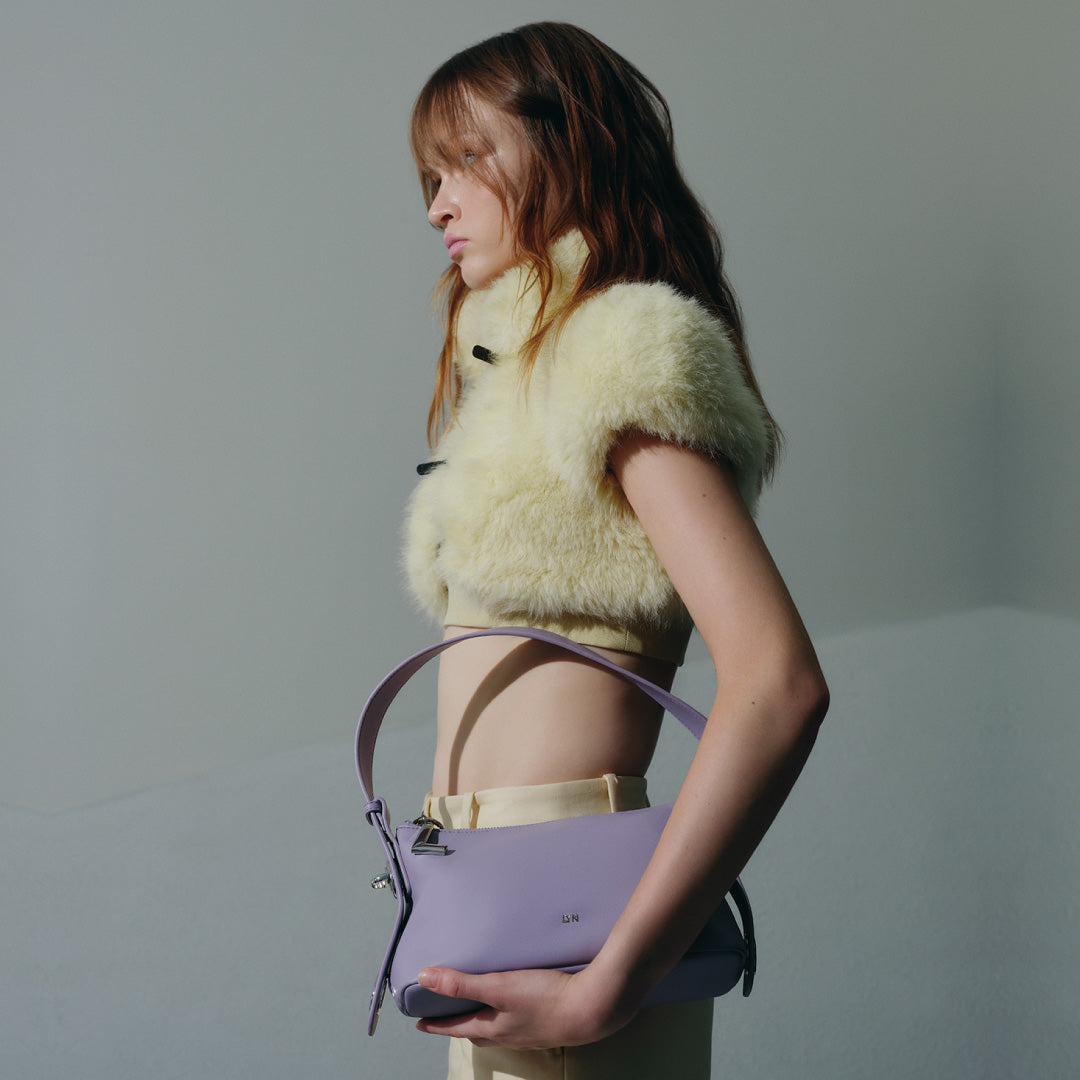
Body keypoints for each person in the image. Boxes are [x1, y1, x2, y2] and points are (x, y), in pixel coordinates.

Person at [399, 22, 829, 1080]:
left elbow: (778, 683)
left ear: (567, 147)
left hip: (575, 939)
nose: (438, 204)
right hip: (493, 916)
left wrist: (610, 986)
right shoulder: (524, 373)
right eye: (429, 177)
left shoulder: (617, 348)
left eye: (466, 159)